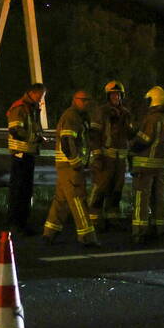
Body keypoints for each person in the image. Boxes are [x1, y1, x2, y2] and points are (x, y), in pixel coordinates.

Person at [42, 90, 100, 246]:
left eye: (89, 100)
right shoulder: (72, 116)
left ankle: (49, 233)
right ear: (75, 100)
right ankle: (87, 237)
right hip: (70, 166)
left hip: (66, 166)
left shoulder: (79, 117)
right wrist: (76, 162)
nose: (87, 103)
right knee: (78, 199)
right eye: (84, 100)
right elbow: (67, 141)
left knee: (61, 201)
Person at [129, 86, 164, 243]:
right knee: (158, 199)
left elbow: (143, 140)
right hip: (160, 167)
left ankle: (139, 232)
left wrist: (131, 147)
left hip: (144, 167)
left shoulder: (151, 119)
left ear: (153, 100)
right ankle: (159, 228)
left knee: (141, 200)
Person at [87, 80, 135, 231]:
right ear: (108, 96)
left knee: (116, 190)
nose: (116, 97)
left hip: (120, 160)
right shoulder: (101, 112)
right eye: (113, 94)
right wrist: (97, 156)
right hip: (106, 158)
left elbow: (130, 136)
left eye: (118, 94)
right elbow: (94, 135)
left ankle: (112, 219)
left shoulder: (126, 113)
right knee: (100, 189)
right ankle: (94, 220)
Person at [5, 83, 46, 236]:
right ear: (32, 93)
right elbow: (15, 130)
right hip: (20, 154)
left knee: (26, 191)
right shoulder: (19, 107)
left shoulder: (31, 108)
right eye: (39, 96)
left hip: (28, 153)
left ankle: (22, 223)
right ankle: (15, 224)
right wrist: (35, 138)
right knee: (18, 190)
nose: (40, 100)